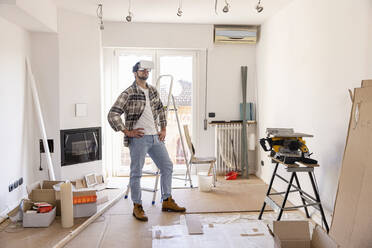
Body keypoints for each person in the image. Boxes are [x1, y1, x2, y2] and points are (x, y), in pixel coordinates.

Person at [107, 61, 186, 221]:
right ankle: (137, 206)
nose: (145, 72)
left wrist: (163, 128)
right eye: (142, 69)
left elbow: (160, 110)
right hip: (139, 139)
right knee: (136, 172)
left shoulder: (153, 91)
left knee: (167, 166)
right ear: (135, 72)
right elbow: (113, 114)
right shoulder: (128, 93)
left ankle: (167, 200)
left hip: (155, 137)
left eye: (147, 70)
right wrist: (127, 131)